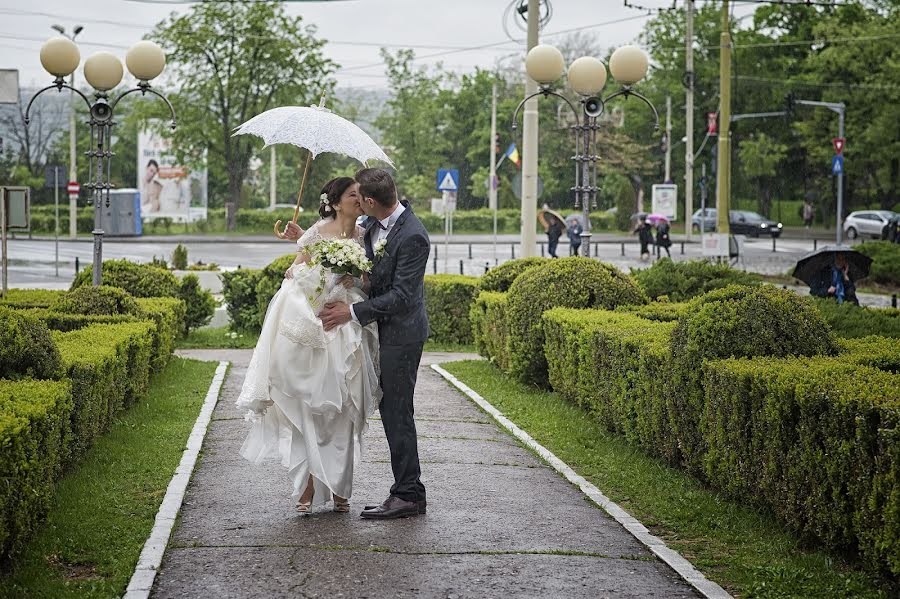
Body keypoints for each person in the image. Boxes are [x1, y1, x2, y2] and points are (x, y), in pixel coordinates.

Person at [235, 177, 381, 515]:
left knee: (344, 408)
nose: (360, 199)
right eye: (353, 195)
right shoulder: (317, 231)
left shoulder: (366, 235)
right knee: (311, 409)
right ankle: (308, 485)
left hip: (348, 324)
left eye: (361, 195)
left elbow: (371, 279)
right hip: (316, 324)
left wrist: (354, 278)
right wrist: (321, 275)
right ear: (334, 201)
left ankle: (341, 487)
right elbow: (293, 273)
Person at [318, 168, 430, 519]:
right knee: (392, 411)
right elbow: (369, 269)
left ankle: (409, 494)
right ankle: (406, 491)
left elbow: (401, 296)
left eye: (358, 197)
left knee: (398, 412)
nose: (356, 203)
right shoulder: (379, 228)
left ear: (369, 201)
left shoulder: (413, 235)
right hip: (385, 332)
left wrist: (351, 312)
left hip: (403, 334)